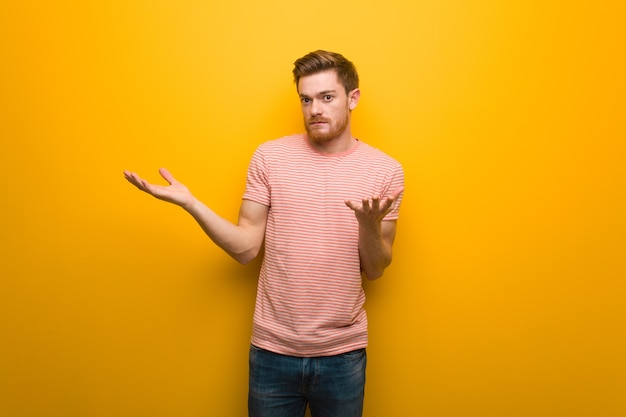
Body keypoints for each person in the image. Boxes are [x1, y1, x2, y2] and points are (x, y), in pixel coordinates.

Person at [124, 50, 404, 417]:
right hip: (272, 352)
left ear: (353, 98)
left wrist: (368, 226)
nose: (314, 109)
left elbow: (377, 267)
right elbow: (245, 248)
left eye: (326, 97)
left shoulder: (385, 170)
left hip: (343, 354)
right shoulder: (270, 158)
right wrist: (192, 204)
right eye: (306, 99)